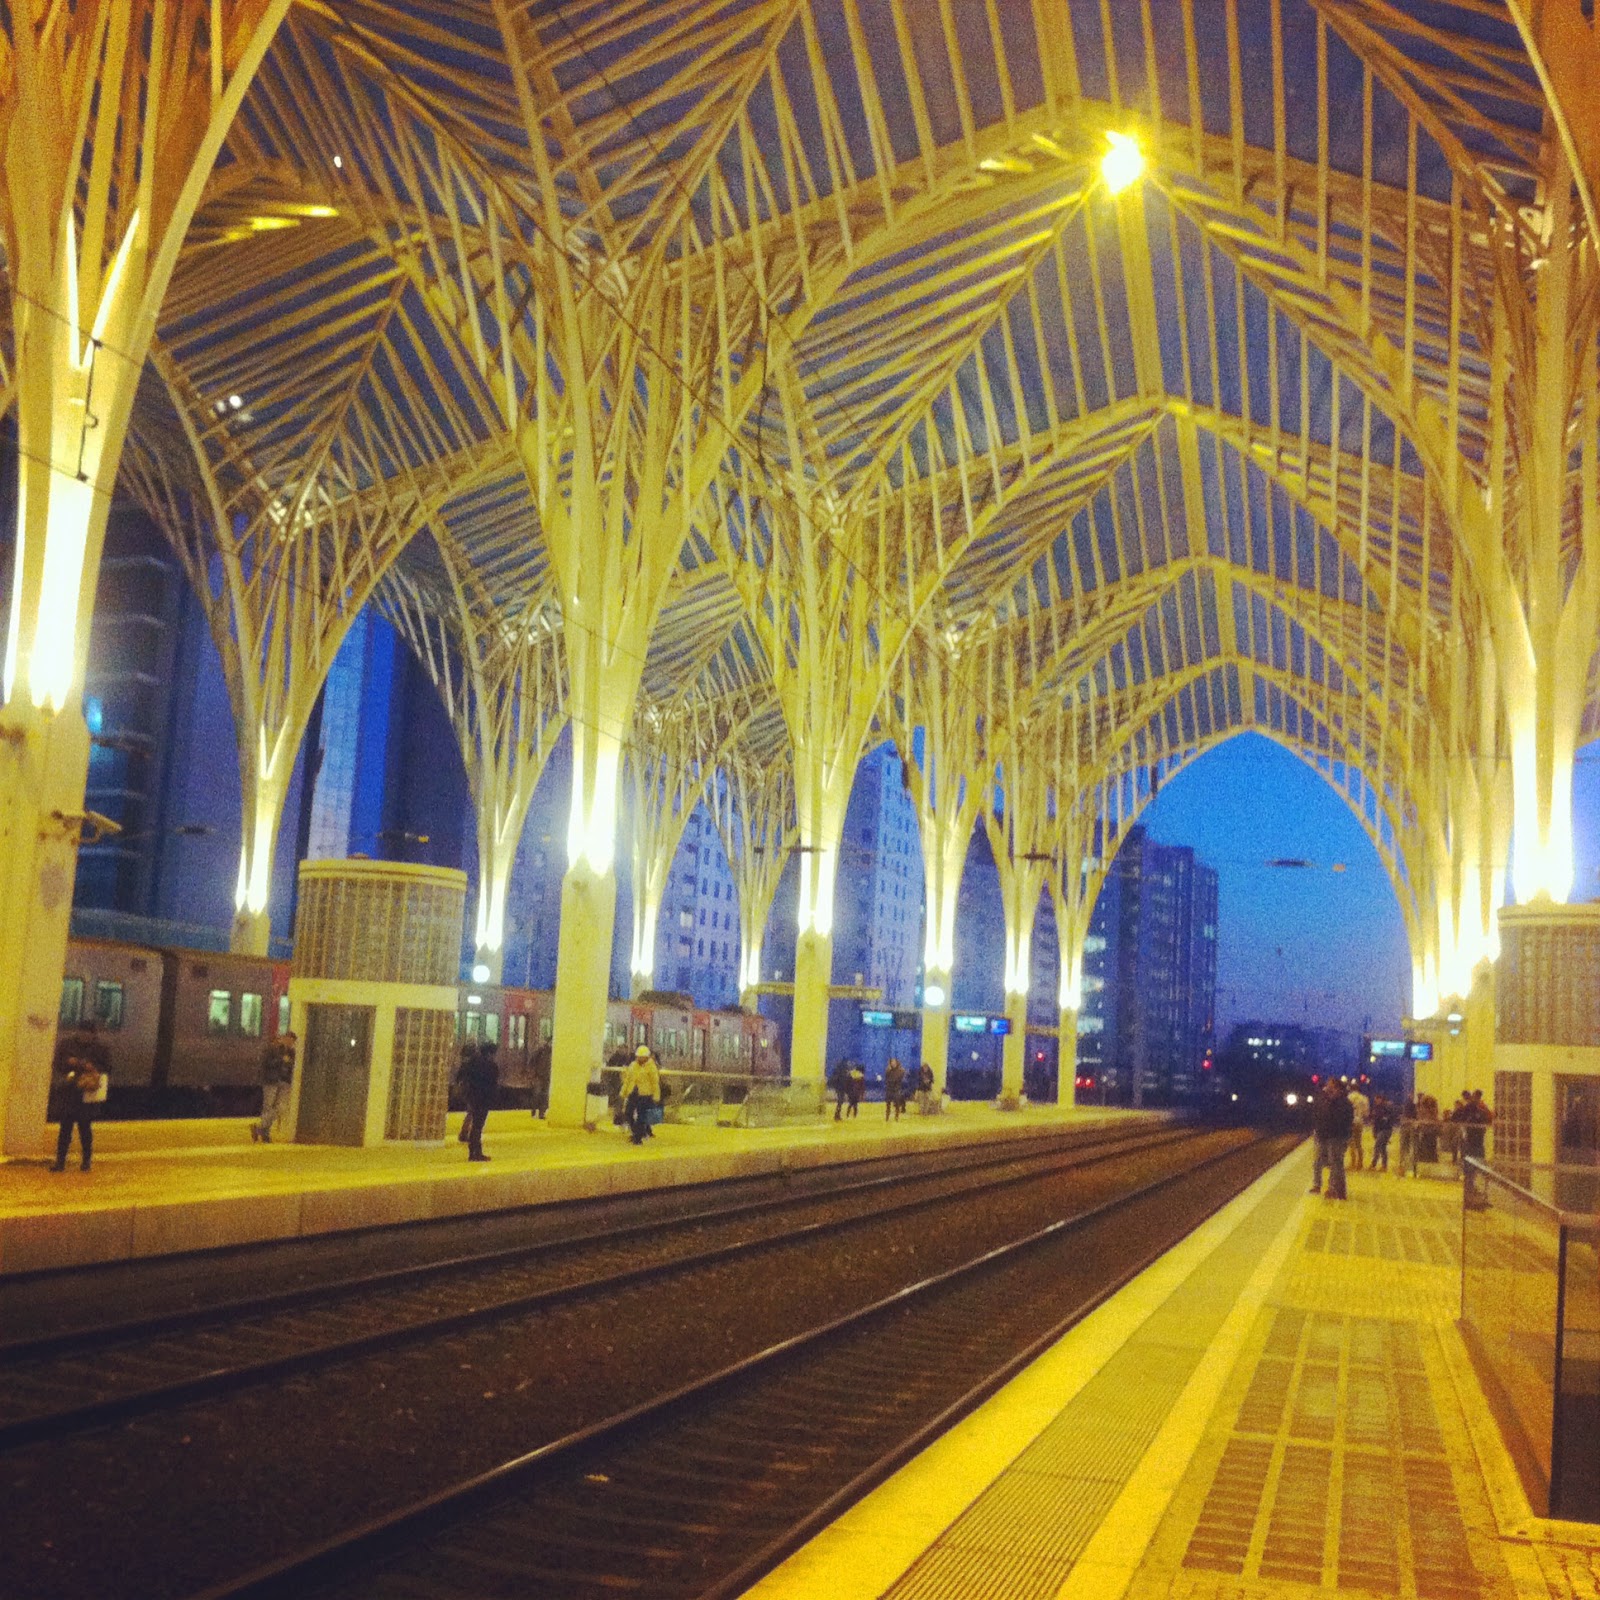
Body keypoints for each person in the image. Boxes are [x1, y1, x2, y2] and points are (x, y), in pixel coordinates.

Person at [51, 1022, 110, 1172]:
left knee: (85, 1128)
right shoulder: (67, 1045)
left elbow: (107, 1068)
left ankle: (86, 1161)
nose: (85, 1036)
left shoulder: (100, 1048)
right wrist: (68, 1063)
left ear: (93, 1035)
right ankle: (60, 1162)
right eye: (83, 1033)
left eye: (88, 1034)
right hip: (68, 1091)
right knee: (65, 1128)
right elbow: (57, 1064)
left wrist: (92, 1067)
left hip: (87, 1093)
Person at [1310, 1079, 1352, 1199]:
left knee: (1336, 1163)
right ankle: (1328, 1187)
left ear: (1338, 1089)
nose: (1327, 1087)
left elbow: (1342, 1121)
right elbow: (1318, 1114)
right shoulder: (1326, 1099)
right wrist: (1317, 1129)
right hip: (1323, 1135)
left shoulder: (1343, 1103)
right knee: (1322, 1161)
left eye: (1331, 1086)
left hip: (1336, 1137)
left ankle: (1335, 1190)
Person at [457, 1041, 499, 1161]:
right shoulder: (491, 1066)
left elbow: (461, 1076)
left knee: (475, 1125)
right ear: (490, 1053)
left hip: (473, 1097)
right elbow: (493, 1084)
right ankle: (476, 1152)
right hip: (483, 1099)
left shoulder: (472, 1064)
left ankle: (473, 1152)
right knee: (478, 1126)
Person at [253, 1030, 297, 1143]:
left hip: (283, 1082)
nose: (290, 1043)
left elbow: (292, 1066)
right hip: (271, 1080)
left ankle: (259, 1128)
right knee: (268, 1106)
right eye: (289, 1040)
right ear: (285, 1038)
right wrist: (281, 1060)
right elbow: (266, 1063)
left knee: (280, 1108)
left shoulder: (292, 1052)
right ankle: (265, 1133)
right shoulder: (275, 1048)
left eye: (292, 1042)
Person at [619, 1044, 660, 1145]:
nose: (640, 1058)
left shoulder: (651, 1067)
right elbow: (627, 1080)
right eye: (638, 1056)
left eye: (642, 1057)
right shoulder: (633, 1065)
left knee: (641, 1116)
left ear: (647, 1057)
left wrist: (656, 1096)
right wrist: (623, 1092)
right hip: (633, 1092)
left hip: (645, 1095)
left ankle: (637, 1138)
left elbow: (655, 1083)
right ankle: (637, 1132)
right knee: (628, 1113)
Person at [1347, 1081, 1370, 1170]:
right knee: (1358, 1142)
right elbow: (1366, 1113)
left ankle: (1353, 1162)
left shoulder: (1348, 1098)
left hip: (1350, 1121)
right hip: (1359, 1121)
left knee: (1351, 1143)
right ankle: (1360, 1162)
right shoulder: (1364, 1098)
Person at [1369, 1094, 1396, 1172]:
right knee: (1382, 1148)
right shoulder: (1376, 1108)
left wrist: (1385, 1120)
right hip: (1380, 1130)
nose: (1377, 1101)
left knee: (1377, 1146)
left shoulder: (1386, 1107)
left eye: (1378, 1099)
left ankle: (1373, 1164)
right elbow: (1375, 1120)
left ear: (1381, 1099)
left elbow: (1390, 1118)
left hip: (1385, 1129)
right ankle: (1384, 1166)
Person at [528, 1040, 552, 1120]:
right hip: (539, 1076)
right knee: (537, 1095)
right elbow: (532, 1061)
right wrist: (533, 1072)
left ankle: (541, 1113)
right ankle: (534, 1112)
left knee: (544, 1096)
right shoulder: (541, 1051)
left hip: (546, 1076)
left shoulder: (550, 1051)